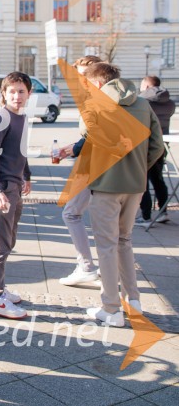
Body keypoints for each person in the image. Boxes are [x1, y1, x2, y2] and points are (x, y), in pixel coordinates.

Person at [81, 63, 163, 326]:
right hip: (135, 185)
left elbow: (88, 137)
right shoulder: (142, 103)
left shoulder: (96, 105)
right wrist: (139, 167)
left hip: (107, 184)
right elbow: (157, 146)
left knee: (105, 246)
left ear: (97, 83)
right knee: (124, 241)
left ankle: (111, 309)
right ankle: (134, 301)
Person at [0, 72, 32, 319]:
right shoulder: (0, 118)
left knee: (10, 238)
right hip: (1, 186)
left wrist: (27, 174)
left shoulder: (20, 117)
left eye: (21, 91)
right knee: (0, 243)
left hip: (14, 184)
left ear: (29, 93)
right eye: (12, 91)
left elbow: (20, 151)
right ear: (4, 93)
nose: (17, 96)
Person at [54, 55, 103, 286]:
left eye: (85, 75)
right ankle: (101, 267)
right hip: (95, 164)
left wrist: (76, 148)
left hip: (95, 166)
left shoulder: (99, 99)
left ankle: (87, 267)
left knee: (72, 213)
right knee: (105, 222)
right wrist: (75, 147)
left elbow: (98, 133)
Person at [136, 75, 175, 225]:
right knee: (158, 179)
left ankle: (145, 216)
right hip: (162, 144)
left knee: (142, 180)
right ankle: (163, 211)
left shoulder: (142, 102)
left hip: (144, 144)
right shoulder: (169, 103)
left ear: (146, 86)